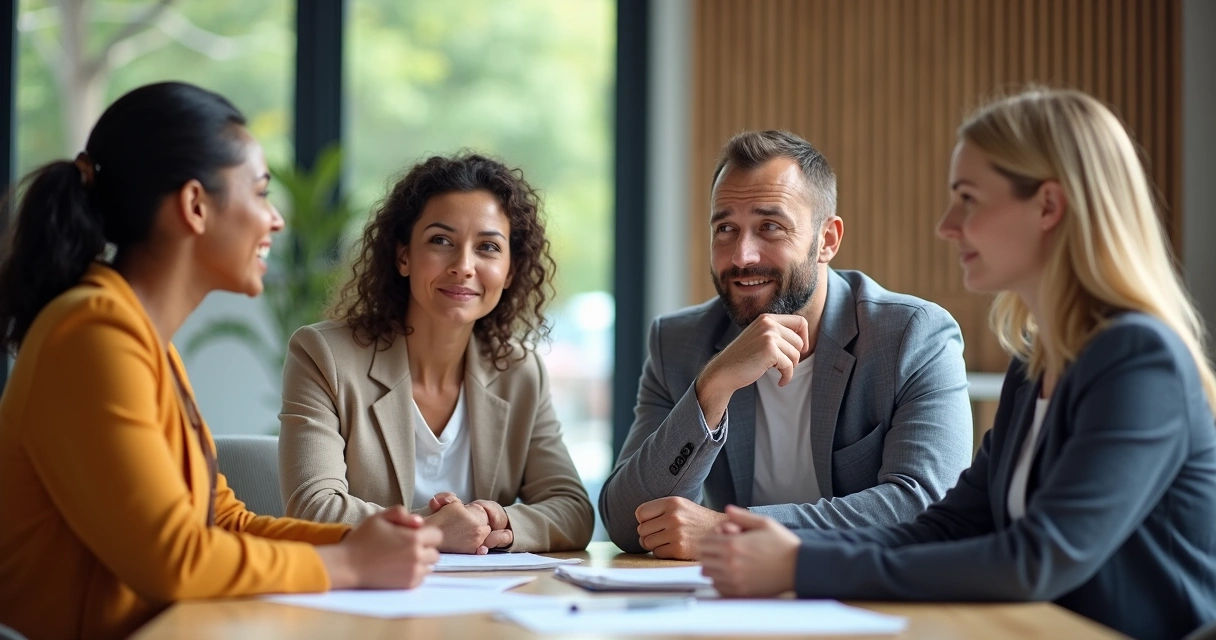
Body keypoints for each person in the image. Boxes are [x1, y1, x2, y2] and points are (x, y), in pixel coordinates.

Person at [699, 89, 1216, 640]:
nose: (947, 225)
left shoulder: (1139, 359)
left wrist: (801, 566)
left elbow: (1035, 559)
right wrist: (792, 548)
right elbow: (949, 526)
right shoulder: (1035, 363)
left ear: (1048, 206)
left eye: (968, 199)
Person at [0, 82, 442, 640]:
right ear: (194, 206)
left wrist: (363, 540)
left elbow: (222, 521)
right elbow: (173, 560)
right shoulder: (92, 334)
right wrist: (351, 565)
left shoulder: (139, 338)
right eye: (259, 192)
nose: (275, 219)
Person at [599, 130, 974, 559]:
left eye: (770, 227)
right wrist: (712, 388)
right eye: (725, 228)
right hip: (736, 610)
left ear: (827, 240)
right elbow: (627, 523)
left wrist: (733, 532)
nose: (743, 256)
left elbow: (927, 507)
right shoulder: (679, 343)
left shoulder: (912, 336)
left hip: (867, 601)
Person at [278, 153, 594, 554]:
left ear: (510, 271)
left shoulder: (520, 371)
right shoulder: (325, 355)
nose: (464, 266)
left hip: (486, 605)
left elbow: (573, 509)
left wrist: (498, 522)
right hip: (367, 601)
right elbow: (312, 509)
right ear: (403, 256)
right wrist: (435, 529)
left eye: (488, 247)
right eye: (441, 241)